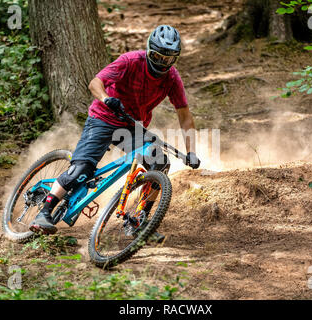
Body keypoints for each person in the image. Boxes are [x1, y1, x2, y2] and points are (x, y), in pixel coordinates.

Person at [29, 25, 200, 237]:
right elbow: (95, 83)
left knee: (160, 163)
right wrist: (106, 99)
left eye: (169, 59)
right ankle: (44, 212)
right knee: (82, 169)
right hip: (103, 117)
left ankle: (139, 220)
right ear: (148, 51)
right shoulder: (130, 61)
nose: (162, 63)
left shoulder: (172, 79)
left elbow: (184, 115)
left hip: (131, 126)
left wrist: (191, 152)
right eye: (158, 56)